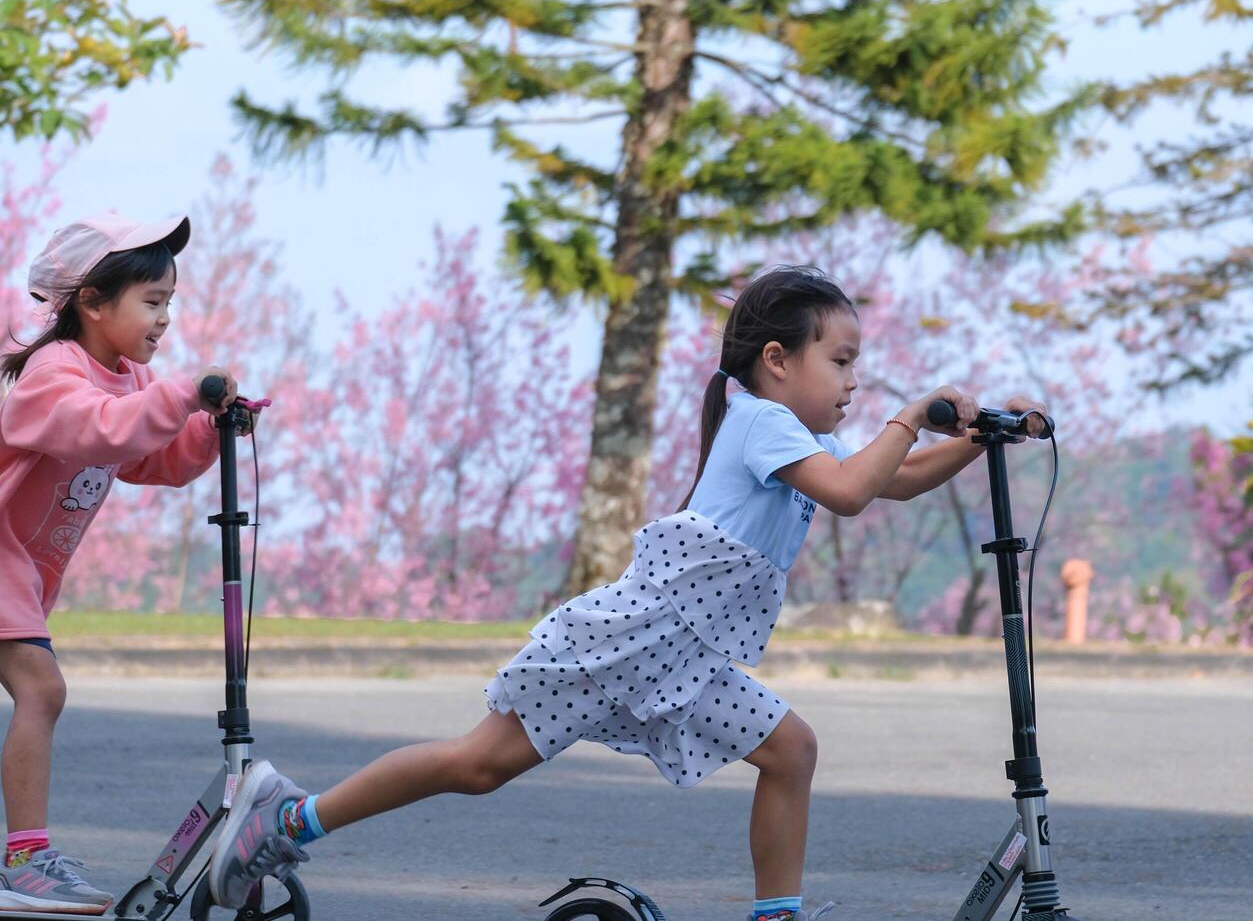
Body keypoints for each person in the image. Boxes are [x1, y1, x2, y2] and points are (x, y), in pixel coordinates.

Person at [209, 265, 1046, 921]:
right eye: (842, 361)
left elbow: (890, 483)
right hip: (632, 640)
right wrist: (909, 415)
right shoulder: (763, 422)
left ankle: (775, 915)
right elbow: (861, 488)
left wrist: (978, 439)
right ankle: (285, 822)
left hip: (690, 658)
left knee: (791, 751)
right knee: (476, 766)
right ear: (777, 362)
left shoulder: (794, 438)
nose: (853, 381)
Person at [0, 214, 250, 915]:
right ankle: (25, 861)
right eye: (152, 301)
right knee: (41, 690)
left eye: (169, 302)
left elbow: (147, 456)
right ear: (92, 301)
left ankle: (24, 858)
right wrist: (176, 396)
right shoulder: (52, 374)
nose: (165, 318)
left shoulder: (129, 377)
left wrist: (205, 424)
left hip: (18, 568)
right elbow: (100, 429)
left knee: (35, 692)